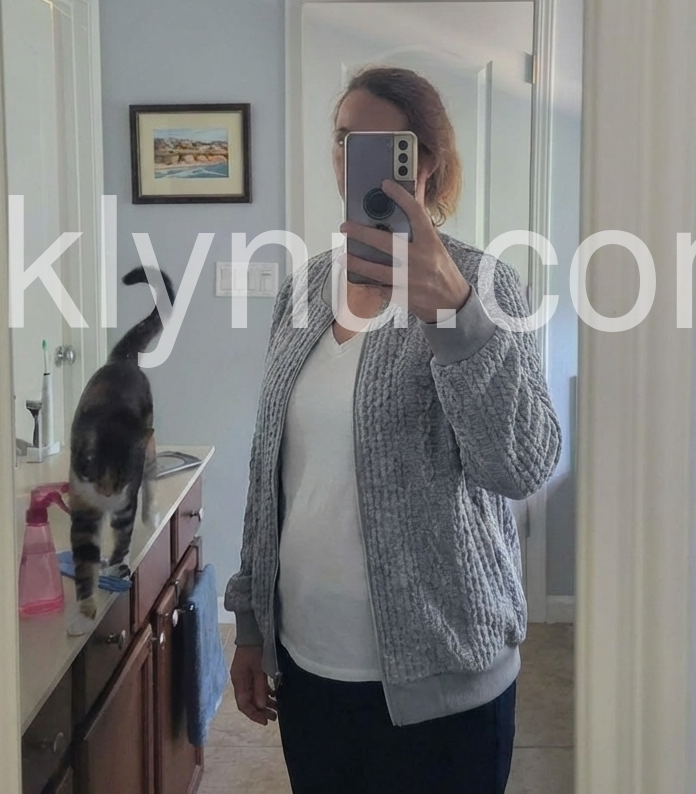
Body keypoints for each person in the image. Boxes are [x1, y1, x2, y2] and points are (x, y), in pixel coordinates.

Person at [225, 66, 561, 794]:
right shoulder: (305, 287)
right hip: (310, 667)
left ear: (425, 162)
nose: (354, 159)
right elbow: (269, 469)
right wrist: (252, 625)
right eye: (344, 139)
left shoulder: (483, 284)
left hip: (444, 676)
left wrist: (455, 318)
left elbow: (520, 465)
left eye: (380, 144)